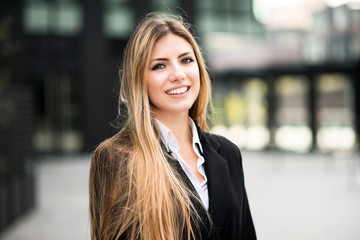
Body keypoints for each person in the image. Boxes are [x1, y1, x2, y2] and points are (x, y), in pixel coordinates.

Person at [89, 12, 256, 240]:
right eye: (159, 66)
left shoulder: (228, 153)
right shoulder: (116, 158)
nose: (178, 74)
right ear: (139, 79)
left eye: (186, 60)